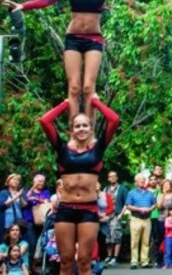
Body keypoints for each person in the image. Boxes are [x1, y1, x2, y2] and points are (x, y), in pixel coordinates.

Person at [1, 0, 172, 118]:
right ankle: (75, 129)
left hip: (93, 40)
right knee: (74, 88)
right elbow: (47, 0)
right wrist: (23, 6)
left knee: (88, 87)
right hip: (73, 40)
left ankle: (89, 132)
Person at [38, 95, 120, 275]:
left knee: (84, 260)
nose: (81, 128)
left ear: (90, 129)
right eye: (77, 126)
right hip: (65, 208)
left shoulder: (98, 149)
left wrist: (96, 103)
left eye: (85, 125)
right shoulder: (62, 149)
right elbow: (45, 121)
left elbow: (114, 120)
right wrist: (66, 104)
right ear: (72, 130)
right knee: (65, 261)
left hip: (88, 210)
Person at [125, 174, 156, 269]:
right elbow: (128, 205)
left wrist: (150, 209)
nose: (143, 181)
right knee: (134, 241)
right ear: (136, 182)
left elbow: (154, 204)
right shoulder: (131, 193)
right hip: (136, 218)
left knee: (146, 241)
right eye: (140, 180)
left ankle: (144, 262)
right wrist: (139, 209)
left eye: (144, 179)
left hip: (147, 219)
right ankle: (134, 262)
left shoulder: (150, 193)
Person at [104, 171, 127, 266]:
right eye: (110, 176)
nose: (112, 178)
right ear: (108, 178)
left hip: (117, 215)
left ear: (117, 178)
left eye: (114, 176)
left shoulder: (122, 189)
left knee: (117, 235)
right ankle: (109, 256)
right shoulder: (105, 189)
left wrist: (121, 214)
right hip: (107, 215)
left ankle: (115, 257)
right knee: (108, 236)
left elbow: (127, 203)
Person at [0, 174, 26, 243]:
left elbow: (24, 206)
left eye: (18, 180)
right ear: (8, 182)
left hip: (18, 221)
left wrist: (20, 196)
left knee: (17, 241)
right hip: (6, 221)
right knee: (4, 240)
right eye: (13, 179)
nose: (16, 181)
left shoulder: (20, 193)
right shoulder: (3, 192)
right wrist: (15, 197)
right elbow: (1, 205)